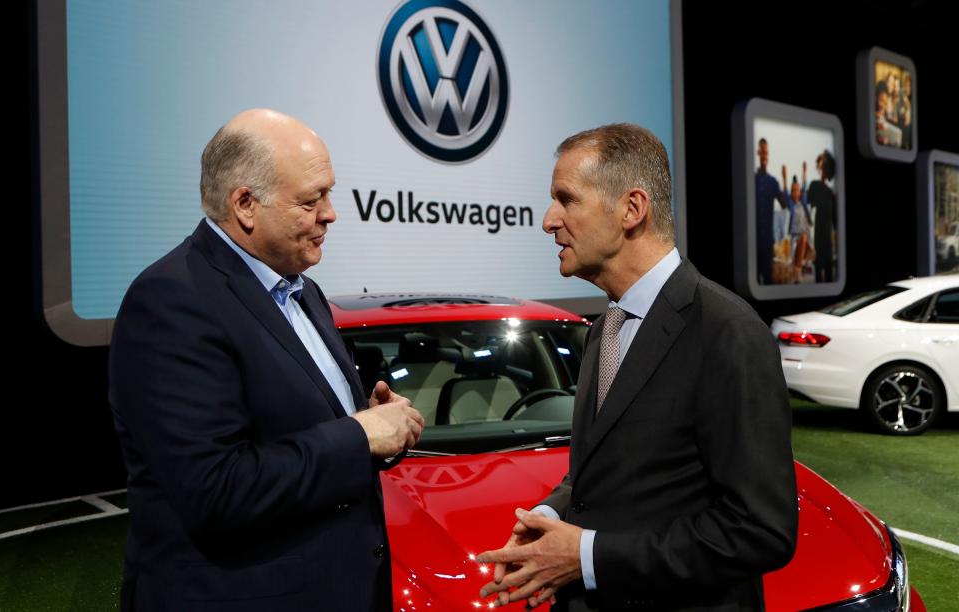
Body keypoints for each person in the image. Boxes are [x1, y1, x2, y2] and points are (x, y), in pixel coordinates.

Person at [108, 108, 425, 611]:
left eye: (330, 193)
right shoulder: (171, 300)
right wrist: (358, 435)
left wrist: (372, 422)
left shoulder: (304, 290)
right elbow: (216, 490)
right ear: (246, 204)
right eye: (311, 199)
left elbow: (286, 425)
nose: (331, 213)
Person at [477, 124, 797, 611]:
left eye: (567, 199)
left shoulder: (728, 332)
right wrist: (549, 514)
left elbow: (759, 530)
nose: (548, 220)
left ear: (631, 209)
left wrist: (586, 555)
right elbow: (605, 468)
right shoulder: (605, 326)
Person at [755, 138, 784, 285]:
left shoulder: (773, 182)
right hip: (753, 244)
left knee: (768, 281)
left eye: (767, 153)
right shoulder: (751, 180)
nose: (765, 156)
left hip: (767, 243)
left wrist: (784, 180)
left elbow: (784, 204)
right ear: (758, 153)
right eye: (763, 152)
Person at [807, 151, 837, 282]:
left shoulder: (831, 193)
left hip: (828, 241)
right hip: (817, 238)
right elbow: (807, 209)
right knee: (818, 272)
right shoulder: (814, 186)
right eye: (821, 163)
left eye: (826, 164)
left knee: (829, 273)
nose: (823, 167)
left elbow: (835, 222)